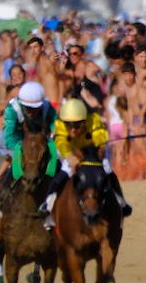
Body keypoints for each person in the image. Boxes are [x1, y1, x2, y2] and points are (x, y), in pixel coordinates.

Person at [41, 97, 132, 229]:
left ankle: (121, 202)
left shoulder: (94, 120)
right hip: (72, 153)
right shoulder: (59, 125)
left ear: (85, 121)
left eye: (77, 125)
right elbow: (61, 142)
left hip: (92, 153)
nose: (73, 129)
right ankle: (48, 205)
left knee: (108, 170)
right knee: (62, 175)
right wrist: (69, 156)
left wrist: (99, 148)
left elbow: (100, 136)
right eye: (68, 125)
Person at [0, 81, 58, 214]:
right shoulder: (12, 109)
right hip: (19, 141)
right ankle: (0, 199)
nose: (30, 112)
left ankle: (54, 198)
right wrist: (23, 150)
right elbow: (9, 136)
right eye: (27, 108)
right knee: (16, 164)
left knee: (56, 160)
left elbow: (56, 131)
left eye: (34, 108)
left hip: (42, 142)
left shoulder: (48, 108)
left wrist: (50, 145)